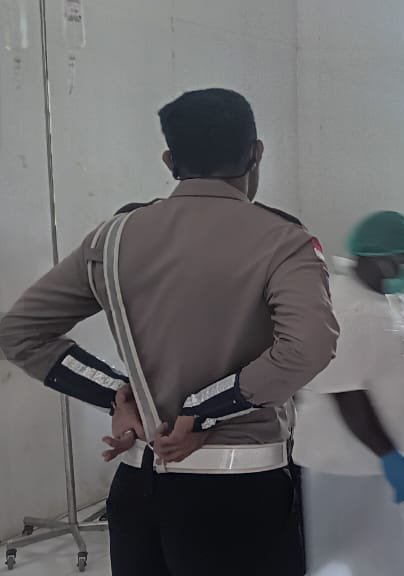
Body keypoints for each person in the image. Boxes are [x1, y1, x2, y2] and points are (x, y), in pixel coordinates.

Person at [0, 88, 339, 576]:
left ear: (169, 159)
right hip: (240, 490)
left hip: (139, 489)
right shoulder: (284, 240)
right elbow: (308, 346)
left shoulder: (112, 237)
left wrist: (119, 396)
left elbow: (19, 333)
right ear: (256, 152)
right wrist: (202, 411)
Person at [291, 211, 404, 575]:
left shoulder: (379, 297)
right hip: (348, 465)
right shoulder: (350, 309)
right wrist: (389, 457)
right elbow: (347, 393)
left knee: (386, 558)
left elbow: (383, 363)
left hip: (377, 460)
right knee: (350, 560)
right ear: (384, 259)